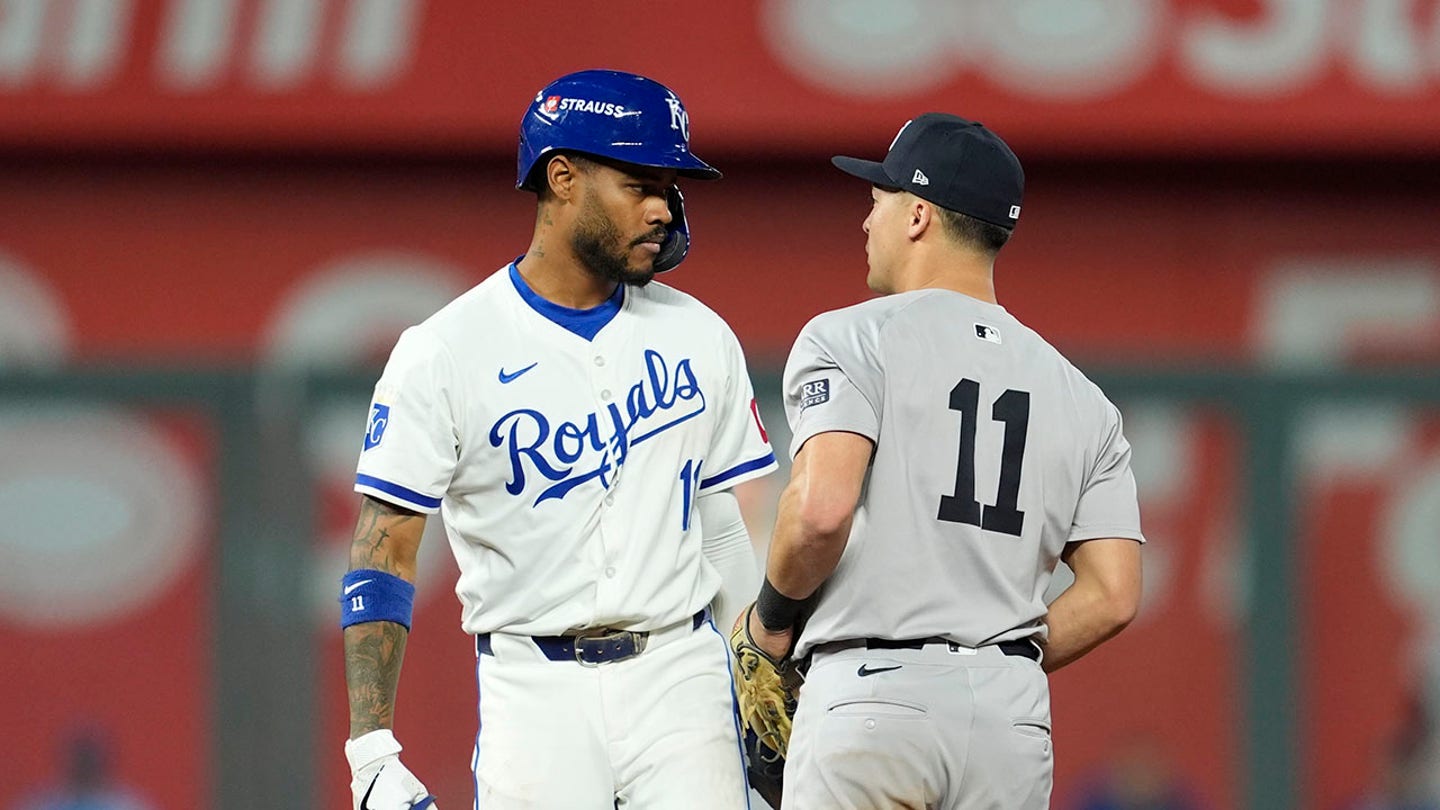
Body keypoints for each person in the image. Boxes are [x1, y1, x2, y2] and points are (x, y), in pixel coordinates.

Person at [340, 69, 777, 810]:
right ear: (563, 177)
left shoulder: (700, 335)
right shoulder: (446, 349)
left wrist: (756, 678)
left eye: (668, 187)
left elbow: (721, 532)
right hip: (532, 688)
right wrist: (370, 749)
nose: (662, 208)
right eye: (639, 182)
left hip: (680, 675)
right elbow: (385, 548)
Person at [744, 113, 1146, 809]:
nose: (866, 220)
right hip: (1010, 722)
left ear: (919, 215)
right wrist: (992, 657)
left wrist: (771, 626)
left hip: (874, 694)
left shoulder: (851, 338)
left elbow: (819, 510)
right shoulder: (1082, 396)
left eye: (878, 200)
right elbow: (1113, 595)